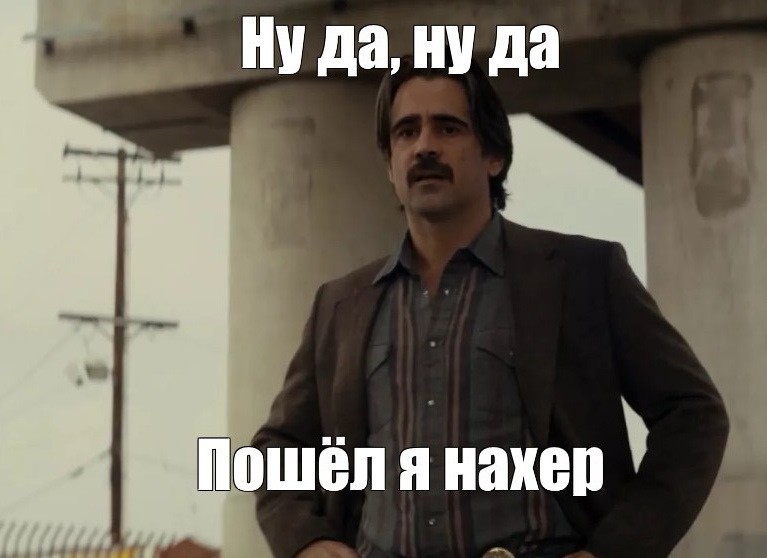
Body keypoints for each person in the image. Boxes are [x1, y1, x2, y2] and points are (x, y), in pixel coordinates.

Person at [250, 54, 729, 558]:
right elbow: (276, 449)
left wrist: (616, 548)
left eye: (448, 128)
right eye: (406, 132)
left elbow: (693, 415)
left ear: (494, 155)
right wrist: (306, 541)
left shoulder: (583, 275)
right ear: (390, 164)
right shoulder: (340, 306)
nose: (425, 146)